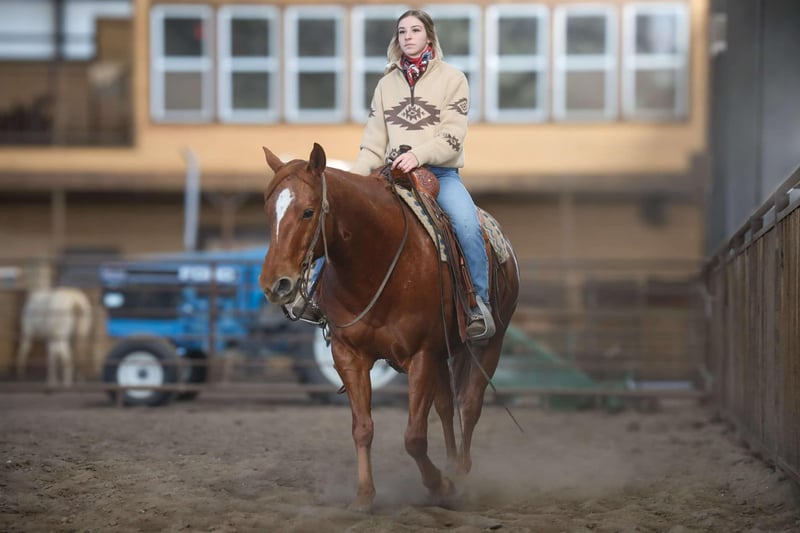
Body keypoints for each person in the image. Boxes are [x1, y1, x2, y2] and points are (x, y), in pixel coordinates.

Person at [289, 9, 494, 341]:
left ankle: (478, 305)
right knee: (337, 216)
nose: (408, 36)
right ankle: (315, 294)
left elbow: (452, 137)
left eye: (415, 30)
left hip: (440, 175)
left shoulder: (454, 79)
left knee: (467, 225)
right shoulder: (386, 85)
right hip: (390, 176)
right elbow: (372, 146)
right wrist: (348, 182)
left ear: (429, 36)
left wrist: (418, 155)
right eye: (402, 32)